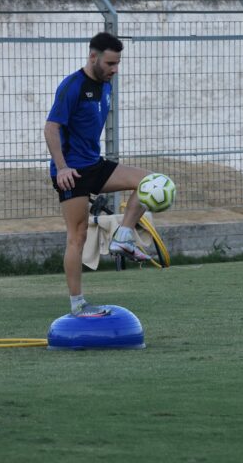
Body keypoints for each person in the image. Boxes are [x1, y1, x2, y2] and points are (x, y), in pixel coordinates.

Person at [44, 32, 153, 317]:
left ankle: (123, 236)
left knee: (149, 182)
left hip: (95, 164)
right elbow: (51, 127)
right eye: (110, 63)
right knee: (77, 236)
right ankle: (78, 304)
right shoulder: (72, 86)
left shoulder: (106, 85)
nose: (115, 69)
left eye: (117, 63)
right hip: (73, 172)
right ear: (93, 57)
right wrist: (62, 167)